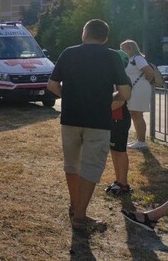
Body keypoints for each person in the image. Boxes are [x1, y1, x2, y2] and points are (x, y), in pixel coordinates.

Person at [47, 19, 131, 232]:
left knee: (72, 164)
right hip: (99, 121)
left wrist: (72, 97)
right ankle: (80, 216)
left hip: (70, 118)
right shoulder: (112, 56)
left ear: (84, 34)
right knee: (91, 167)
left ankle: (74, 205)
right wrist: (111, 102)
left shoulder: (68, 53)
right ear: (105, 38)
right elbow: (124, 92)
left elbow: (52, 85)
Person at [105, 50, 133, 196]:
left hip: (119, 119)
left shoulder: (122, 78)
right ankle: (118, 180)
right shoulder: (112, 77)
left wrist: (101, 111)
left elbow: (120, 101)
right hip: (112, 119)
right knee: (114, 150)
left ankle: (123, 184)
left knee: (120, 151)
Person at [120, 39, 154, 149]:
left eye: (123, 48)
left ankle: (142, 141)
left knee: (137, 114)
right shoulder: (130, 59)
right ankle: (140, 140)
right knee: (135, 114)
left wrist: (143, 83)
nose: (122, 50)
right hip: (135, 89)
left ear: (130, 48)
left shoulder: (138, 59)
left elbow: (150, 73)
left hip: (138, 89)